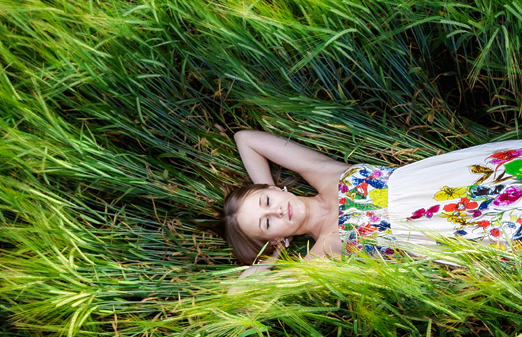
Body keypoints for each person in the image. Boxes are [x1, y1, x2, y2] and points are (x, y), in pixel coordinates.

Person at [213, 130, 522, 277]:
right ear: (275, 236)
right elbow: (248, 291)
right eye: (267, 222)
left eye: (268, 201)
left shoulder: (322, 174)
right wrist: (269, 258)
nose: (277, 210)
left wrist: (261, 186)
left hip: (458, 178)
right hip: (458, 225)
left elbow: (246, 139)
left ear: (275, 189)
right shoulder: (325, 247)